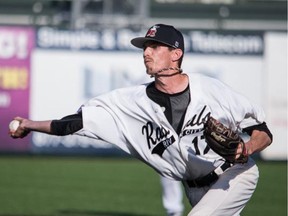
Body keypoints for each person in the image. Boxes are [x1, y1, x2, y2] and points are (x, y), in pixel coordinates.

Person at [10, 24, 272, 216]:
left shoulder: (211, 89)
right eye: (145, 48)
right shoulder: (130, 102)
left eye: (155, 47)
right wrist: (30, 125)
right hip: (194, 190)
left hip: (235, 174)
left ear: (175, 54)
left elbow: (262, 131)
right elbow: (75, 123)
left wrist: (246, 148)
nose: (146, 53)